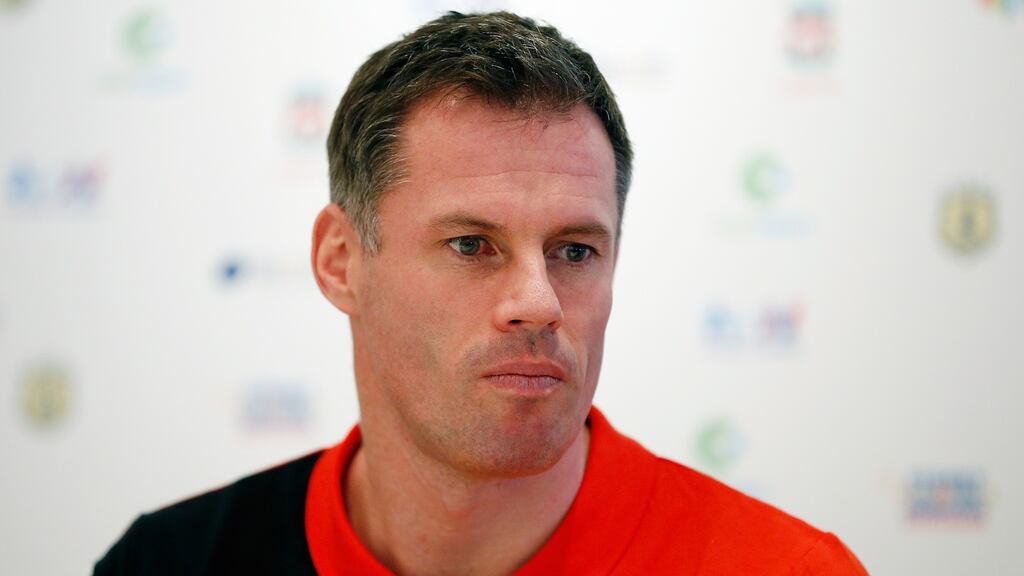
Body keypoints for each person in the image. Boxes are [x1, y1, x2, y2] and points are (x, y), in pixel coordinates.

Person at [95, 11, 868, 575]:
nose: (539, 301)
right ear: (339, 260)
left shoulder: (782, 567)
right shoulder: (170, 565)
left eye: (574, 250)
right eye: (471, 245)